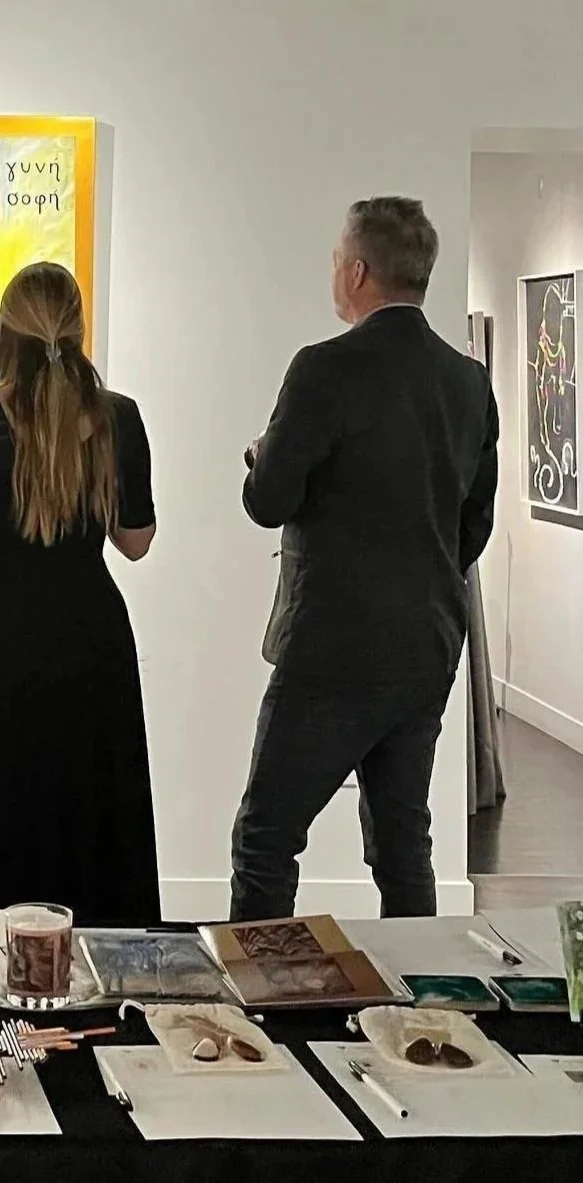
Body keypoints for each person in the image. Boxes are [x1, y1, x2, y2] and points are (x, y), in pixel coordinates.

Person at [229, 197, 500, 922]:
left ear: (355, 272)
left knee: (266, 838)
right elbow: (474, 523)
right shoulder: (467, 381)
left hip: (330, 646)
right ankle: (422, 989)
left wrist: (259, 456)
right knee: (403, 844)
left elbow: (269, 500)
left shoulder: (323, 368)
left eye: (334, 260)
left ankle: (262, 990)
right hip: (426, 643)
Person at [0, 261, 161, 927]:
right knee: (82, 807)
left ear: (7, 332)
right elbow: (135, 542)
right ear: (76, 328)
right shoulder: (116, 417)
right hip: (89, 639)